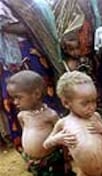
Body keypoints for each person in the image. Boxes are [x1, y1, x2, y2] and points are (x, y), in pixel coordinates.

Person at [7, 70, 83, 176]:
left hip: (53, 160)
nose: (15, 102)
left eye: (18, 97)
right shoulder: (23, 116)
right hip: (35, 162)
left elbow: (62, 136)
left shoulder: (50, 115)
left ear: (35, 94)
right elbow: (25, 133)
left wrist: (67, 159)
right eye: (13, 98)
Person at [0, 0, 65, 149]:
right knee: (15, 103)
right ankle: (30, 149)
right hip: (6, 62)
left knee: (41, 95)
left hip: (27, 56)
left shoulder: (23, 3)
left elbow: (29, 25)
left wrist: (4, 26)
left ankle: (59, 146)